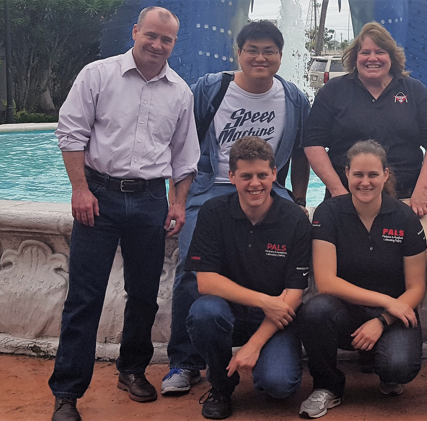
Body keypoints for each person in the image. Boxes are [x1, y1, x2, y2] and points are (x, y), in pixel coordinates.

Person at [49, 7, 200, 421]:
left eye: (166, 39)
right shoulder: (97, 74)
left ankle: (131, 370)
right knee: (84, 297)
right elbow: (71, 132)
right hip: (98, 194)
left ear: (174, 43)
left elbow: (185, 158)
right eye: (150, 35)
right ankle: (67, 393)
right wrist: (79, 189)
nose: (157, 44)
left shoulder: (180, 92)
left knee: (144, 295)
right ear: (135, 32)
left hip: (151, 199)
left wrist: (178, 202)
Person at [162, 20, 311, 396]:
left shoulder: (293, 98)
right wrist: (178, 200)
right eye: (252, 50)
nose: (260, 57)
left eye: (269, 51)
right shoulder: (213, 88)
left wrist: (299, 198)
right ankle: (184, 361)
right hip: (213, 189)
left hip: (269, 187)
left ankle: (275, 342)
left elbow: (301, 153)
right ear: (239, 53)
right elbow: (183, 144)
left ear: (279, 56)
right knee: (188, 270)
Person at [303, 22, 427, 280]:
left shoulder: (414, 91)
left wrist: (421, 191)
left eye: (379, 52)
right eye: (365, 52)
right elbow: (312, 143)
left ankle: (406, 314)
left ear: (392, 57)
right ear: (354, 56)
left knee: (424, 255)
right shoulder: (333, 92)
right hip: (345, 199)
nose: (372, 58)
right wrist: (338, 191)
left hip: (406, 200)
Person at [298, 140, 427, 419]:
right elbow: (326, 282)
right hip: (348, 310)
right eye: (358, 174)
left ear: (385, 175)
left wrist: (382, 320)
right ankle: (327, 386)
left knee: (399, 369)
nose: (365, 182)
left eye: (372, 175)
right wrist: (385, 303)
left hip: (393, 314)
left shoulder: (404, 217)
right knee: (314, 311)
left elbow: (417, 287)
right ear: (347, 174)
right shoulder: (329, 213)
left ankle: (382, 364)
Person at [184, 136, 311, 419]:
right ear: (231, 176)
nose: (255, 183)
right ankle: (220, 385)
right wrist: (265, 301)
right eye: (246, 176)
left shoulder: (295, 219)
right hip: (230, 313)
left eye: (262, 175)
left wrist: (254, 345)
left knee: (279, 386)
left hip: (277, 320)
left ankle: (269, 360)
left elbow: (294, 294)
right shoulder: (213, 213)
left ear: (274, 174)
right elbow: (205, 281)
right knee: (204, 312)